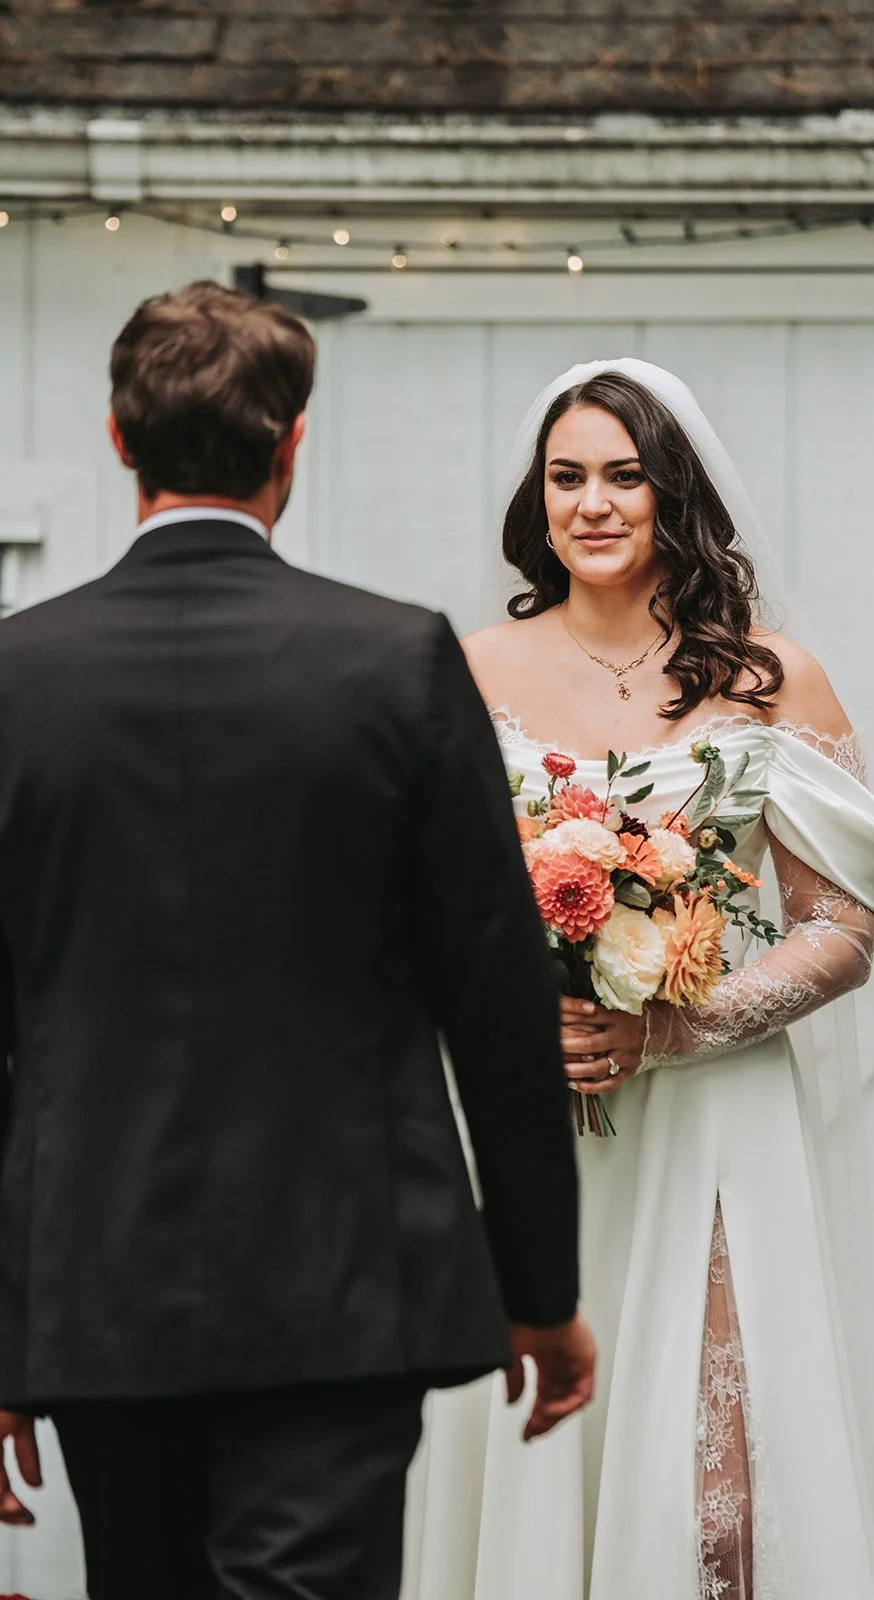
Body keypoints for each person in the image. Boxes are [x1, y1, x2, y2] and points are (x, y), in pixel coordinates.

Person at [0, 281, 595, 1600]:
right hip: (344, 1287)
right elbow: (497, 1006)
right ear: (291, 444)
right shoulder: (394, 663)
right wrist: (539, 1289)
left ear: (118, 439)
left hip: (96, 1291)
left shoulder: (15, 676)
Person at [402, 362, 874, 1600]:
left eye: (622, 474)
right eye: (565, 477)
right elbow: (411, 907)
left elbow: (839, 927)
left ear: (674, 493)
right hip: (535, 1118)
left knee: (721, 1497)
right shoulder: (463, 670)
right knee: (546, 1450)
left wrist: (673, 1027)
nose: (591, 503)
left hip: (714, 1113)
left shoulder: (767, 679)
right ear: (536, 502)